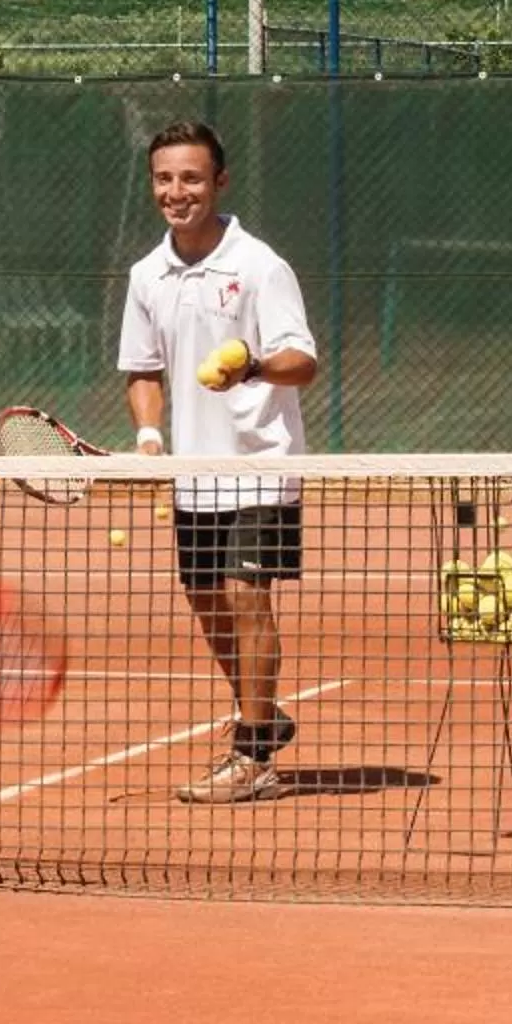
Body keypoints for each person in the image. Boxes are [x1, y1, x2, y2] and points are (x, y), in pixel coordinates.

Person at [116, 119, 320, 805]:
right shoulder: (148, 274)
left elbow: (304, 361)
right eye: (166, 179)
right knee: (208, 605)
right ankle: (263, 716)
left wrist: (254, 367)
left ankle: (253, 755)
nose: (178, 192)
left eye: (192, 178)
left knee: (244, 595)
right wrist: (150, 439)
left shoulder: (260, 266)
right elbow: (142, 370)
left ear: (220, 181)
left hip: (262, 466)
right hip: (191, 475)